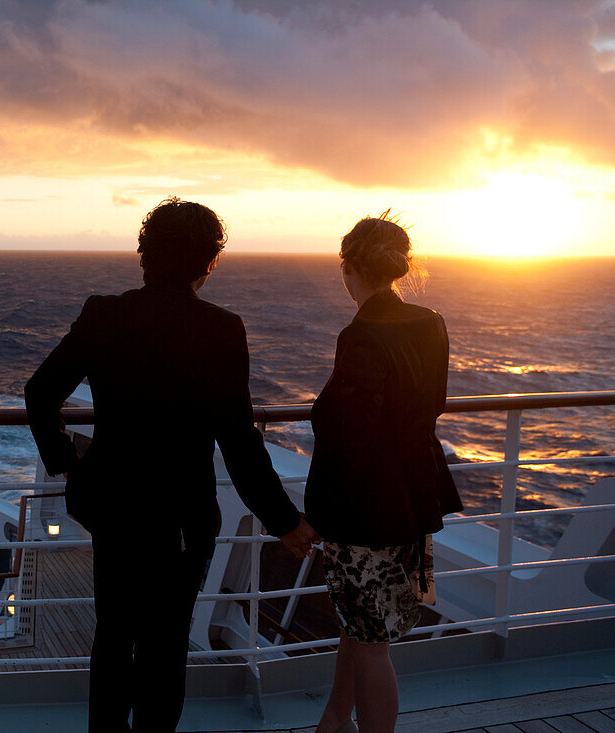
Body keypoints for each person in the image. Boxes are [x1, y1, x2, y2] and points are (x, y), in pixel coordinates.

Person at [25, 197, 319, 732]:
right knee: (164, 646)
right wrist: (283, 520)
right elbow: (238, 439)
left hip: (111, 506)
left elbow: (40, 393)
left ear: (144, 254)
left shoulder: (104, 314)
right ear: (208, 263)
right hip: (179, 521)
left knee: (113, 635)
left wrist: (66, 462)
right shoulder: (221, 330)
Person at [305, 214, 463, 733]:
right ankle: (334, 719)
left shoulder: (362, 333)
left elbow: (351, 436)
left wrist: (319, 513)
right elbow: (430, 402)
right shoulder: (431, 320)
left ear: (349, 268)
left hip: (366, 510)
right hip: (413, 498)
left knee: (372, 644)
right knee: (363, 626)